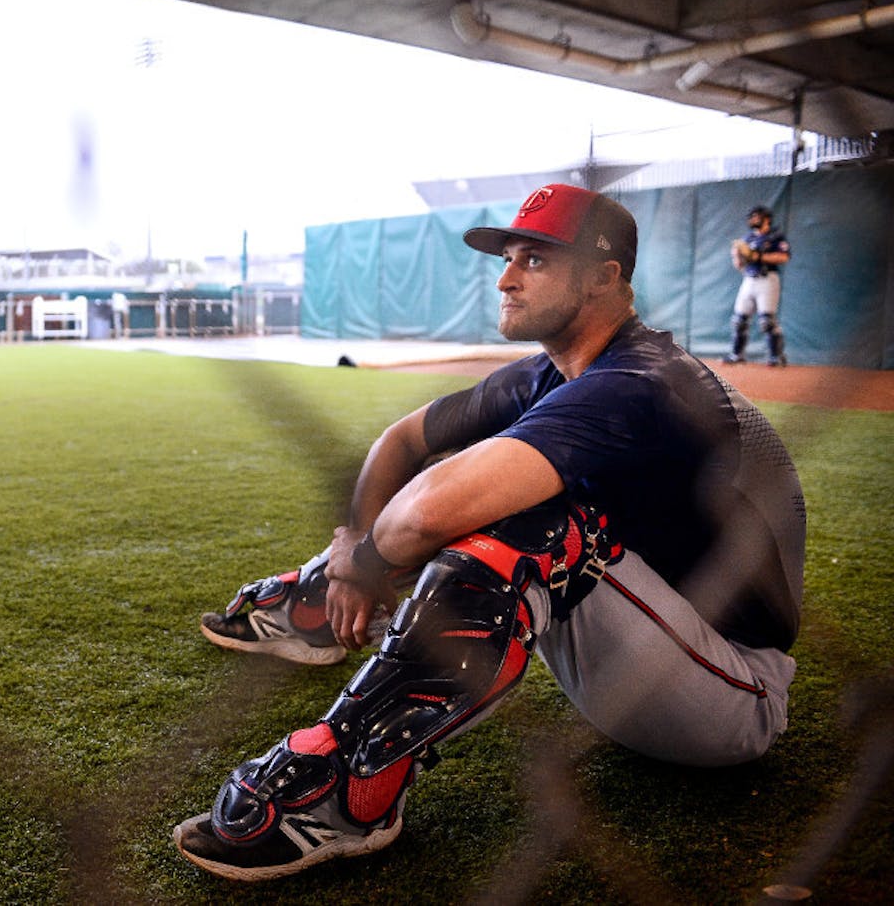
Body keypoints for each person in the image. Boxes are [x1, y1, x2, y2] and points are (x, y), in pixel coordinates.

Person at [173, 184, 805, 882]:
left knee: (519, 515)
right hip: (638, 644)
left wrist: (369, 560)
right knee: (477, 495)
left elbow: (429, 511)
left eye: (533, 259)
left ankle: (346, 791)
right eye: (507, 257)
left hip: (730, 694)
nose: (505, 276)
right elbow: (402, 440)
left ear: (605, 278)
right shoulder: (549, 372)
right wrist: (357, 545)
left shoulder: (645, 382)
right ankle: (321, 606)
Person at [725, 205, 791, 366]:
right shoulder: (747, 238)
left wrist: (758, 256)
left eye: (757, 216)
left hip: (767, 278)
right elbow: (740, 266)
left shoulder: (775, 236)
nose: (753, 219)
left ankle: (776, 356)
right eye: (751, 217)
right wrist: (737, 256)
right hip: (749, 279)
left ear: (766, 218)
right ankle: (736, 355)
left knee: (767, 321)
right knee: (739, 320)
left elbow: (783, 257)